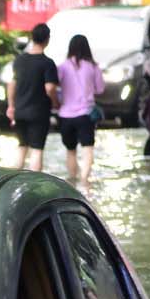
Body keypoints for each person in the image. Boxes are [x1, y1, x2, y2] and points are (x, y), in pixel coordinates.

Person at [7, 22, 58, 171]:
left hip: (20, 111)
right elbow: (49, 88)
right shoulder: (47, 63)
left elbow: (12, 84)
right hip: (39, 112)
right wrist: (55, 102)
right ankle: (34, 184)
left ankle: (13, 180)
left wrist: (11, 106)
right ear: (47, 40)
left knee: (22, 147)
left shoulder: (20, 60)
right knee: (37, 149)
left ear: (32, 38)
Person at [55, 34, 105, 188]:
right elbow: (100, 89)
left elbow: (56, 86)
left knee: (71, 151)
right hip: (85, 114)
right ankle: (85, 181)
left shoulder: (62, 66)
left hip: (65, 115)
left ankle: (72, 181)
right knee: (87, 149)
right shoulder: (93, 67)